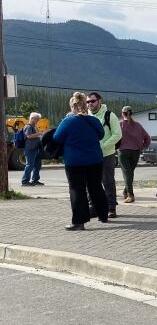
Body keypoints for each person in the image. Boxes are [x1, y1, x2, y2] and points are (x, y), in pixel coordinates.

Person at [54, 92, 108, 230]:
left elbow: (57, 138)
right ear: (85, 105)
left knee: (77, 190)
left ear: (73, 106)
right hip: (95, 159)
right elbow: (101, 135)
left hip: (75, 162)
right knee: (96, 187)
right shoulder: (94, 120)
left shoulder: (67, 122)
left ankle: (79, 222)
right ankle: (103, 215)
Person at [87, 92, 122, 218]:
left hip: (106, 154)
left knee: (107, 181)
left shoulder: (109, 115)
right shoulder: (86, 116)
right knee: (90, 182)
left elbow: (117, 134)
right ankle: (93, 207)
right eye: (88, 102)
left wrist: (103, 146)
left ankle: (111, 207)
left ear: (99, 101)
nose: (90, 104)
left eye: (92, 101)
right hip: (90, 155)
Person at [118, 106, 151, 203]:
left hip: (123, 152)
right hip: (135, 152)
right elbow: (148, 138)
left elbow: (114, 137)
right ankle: (125, 191)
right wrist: (142, 148)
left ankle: (130, 195)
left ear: (122, 113)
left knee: (127, 173)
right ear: (132, 113)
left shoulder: (120, 125)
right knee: (129, 173)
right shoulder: (138, 125)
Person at [20, 112, 44, 187]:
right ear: (32, 118)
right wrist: (39, 134)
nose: (38, 121)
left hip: (35, 148)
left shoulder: (34, 126)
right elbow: (28, 136)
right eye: (37, 119)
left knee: (37, 165)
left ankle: (35, 180)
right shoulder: (28, 126)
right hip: (30, 148)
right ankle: (25, 181)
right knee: (29, 165)